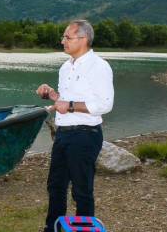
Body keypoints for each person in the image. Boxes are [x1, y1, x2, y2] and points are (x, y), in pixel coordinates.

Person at [36, 20, 114, 232]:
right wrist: (51, 94)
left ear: (84, 39)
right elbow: (64, 100)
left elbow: (105, 104)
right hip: (63, 134)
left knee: (81, 190)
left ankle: (84, 229)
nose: (63, 41)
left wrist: (69, 106)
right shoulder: (65, 67)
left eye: (67, 37)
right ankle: (52, 229)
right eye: (63, 37)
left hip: (85, 135)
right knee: (56, 186)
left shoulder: (99, 66)